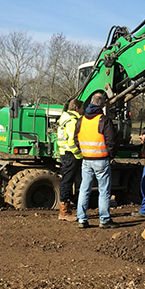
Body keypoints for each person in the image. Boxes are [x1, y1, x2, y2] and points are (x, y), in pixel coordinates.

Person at [76, 91, 116, 228]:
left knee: (84, 189)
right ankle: (104, 219)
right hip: (101, 159)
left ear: (90, 102)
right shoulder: (103, 120)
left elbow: (77, 138)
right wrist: (110, 155)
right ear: (103, 105)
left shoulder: (81, 120)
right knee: (104, 191)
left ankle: (81, 218)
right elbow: (111, 141)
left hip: (86, 160)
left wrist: (83, 151)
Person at [55, 97, 84, 221]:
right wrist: (79, 155)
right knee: (67, 182)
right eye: (82, 108)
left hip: (65, 153)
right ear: (77, 108)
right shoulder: (72, 121)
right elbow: (71, 141)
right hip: (70, 155)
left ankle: (66, 209)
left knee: (67, 181)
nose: (83, 110)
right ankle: (64, 212)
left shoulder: (64, 119)